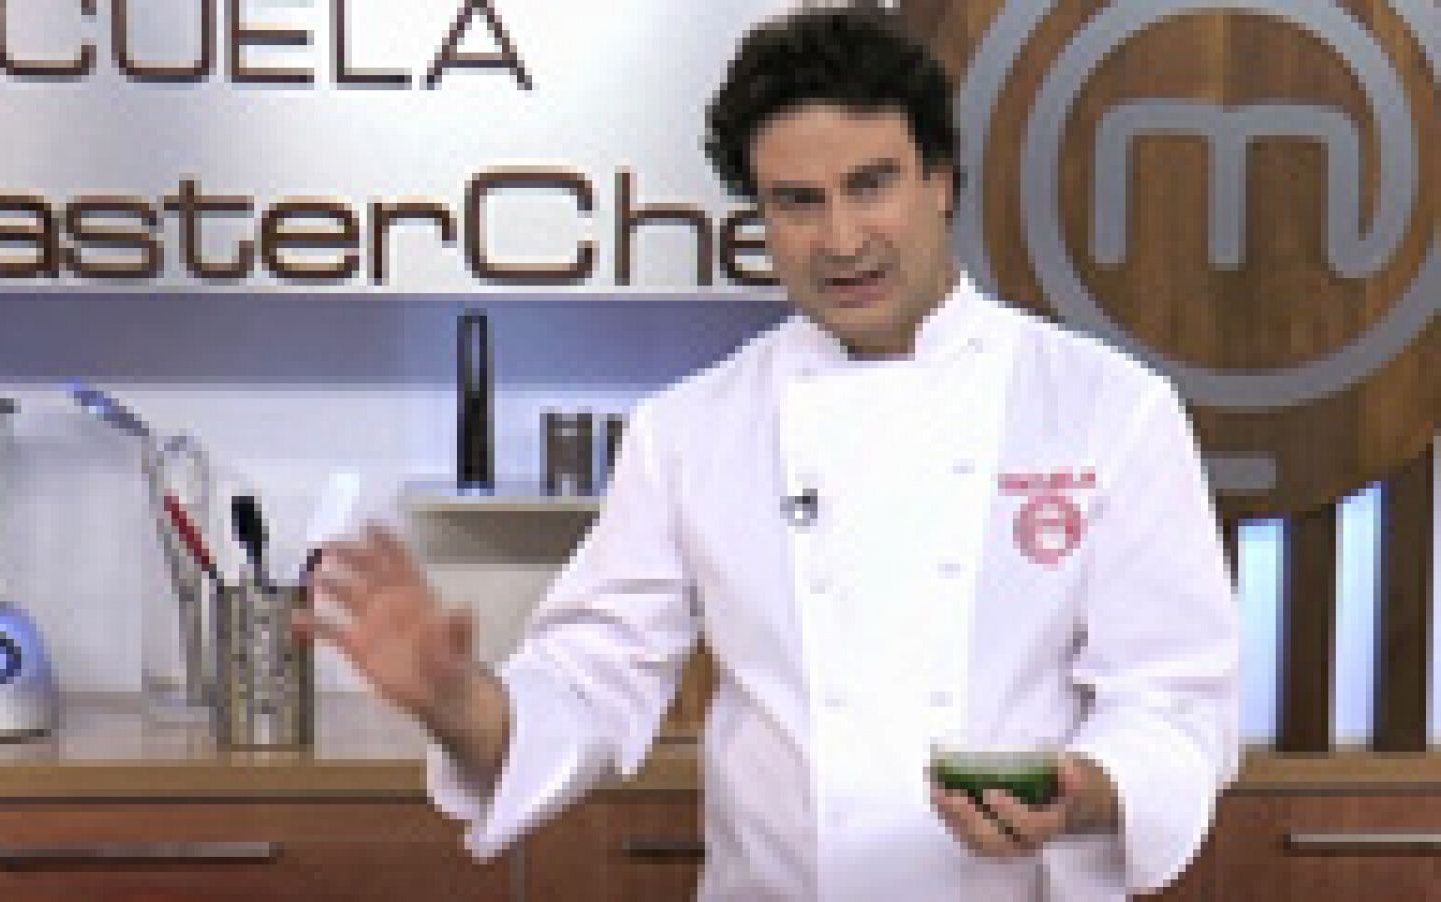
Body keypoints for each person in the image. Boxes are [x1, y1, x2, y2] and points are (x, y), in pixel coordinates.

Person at [301, 4, 1240, 899]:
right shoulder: (691, 430)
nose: (841, 239)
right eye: (797, 202)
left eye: (870, 185)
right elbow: (589, 682)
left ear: (940, 181)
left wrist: (1084, 790)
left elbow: (1175, 702)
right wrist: (455, 699)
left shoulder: (1107, 409)